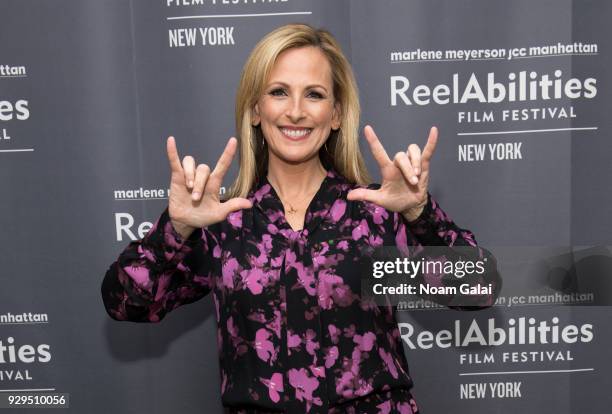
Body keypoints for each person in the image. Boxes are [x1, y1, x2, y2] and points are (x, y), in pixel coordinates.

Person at [101, 23, 499, 414]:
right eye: (278, 92)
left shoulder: (377, 212)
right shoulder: (223, 221)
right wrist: (178, 228)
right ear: (256, 109)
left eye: (314, 94)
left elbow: (479, 289)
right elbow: (127, 304)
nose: (295, 111)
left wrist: (419, 213)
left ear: (336, 113)